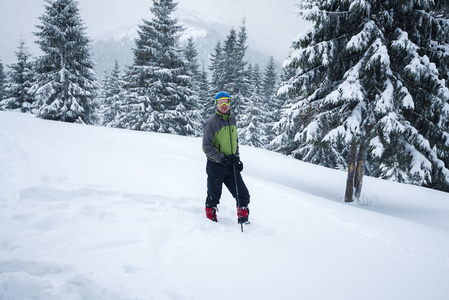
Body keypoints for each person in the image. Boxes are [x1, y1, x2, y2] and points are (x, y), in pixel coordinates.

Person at [202, 91, 250, 223]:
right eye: (220, 102)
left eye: (226, 101)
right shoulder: (211, 122)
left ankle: (244, 221)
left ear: (230, 103)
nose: (224, 105)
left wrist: (237, 158)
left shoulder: (232, 119)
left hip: (231, 164)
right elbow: (206, 147)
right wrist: (221, 158)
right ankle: (210, 222)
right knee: (213, 197)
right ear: (216, 104)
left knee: (243, 195)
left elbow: (235, 141)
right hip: (216, 165)